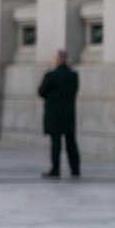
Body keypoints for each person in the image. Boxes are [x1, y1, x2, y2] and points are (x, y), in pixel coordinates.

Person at [39, 49, 80, 179]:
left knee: (56, 142)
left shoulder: (51, 75)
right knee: (71, 142)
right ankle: (75, 169)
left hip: (54, 114)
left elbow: (41, 92)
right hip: (68, 113)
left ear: (57, 59)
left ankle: (55, 169)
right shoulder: (73, 75)